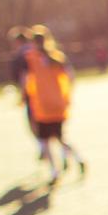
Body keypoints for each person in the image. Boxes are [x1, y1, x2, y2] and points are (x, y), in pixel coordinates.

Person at [23, 26, 86, 184]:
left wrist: (25, 96)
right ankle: (78, 158)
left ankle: (54, 172)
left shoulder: (31, 58)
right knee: (60, 137)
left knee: (45, 141)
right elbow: (70, 77)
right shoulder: (57, 57)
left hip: (43, 106)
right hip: (58, 104)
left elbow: (25, 81)